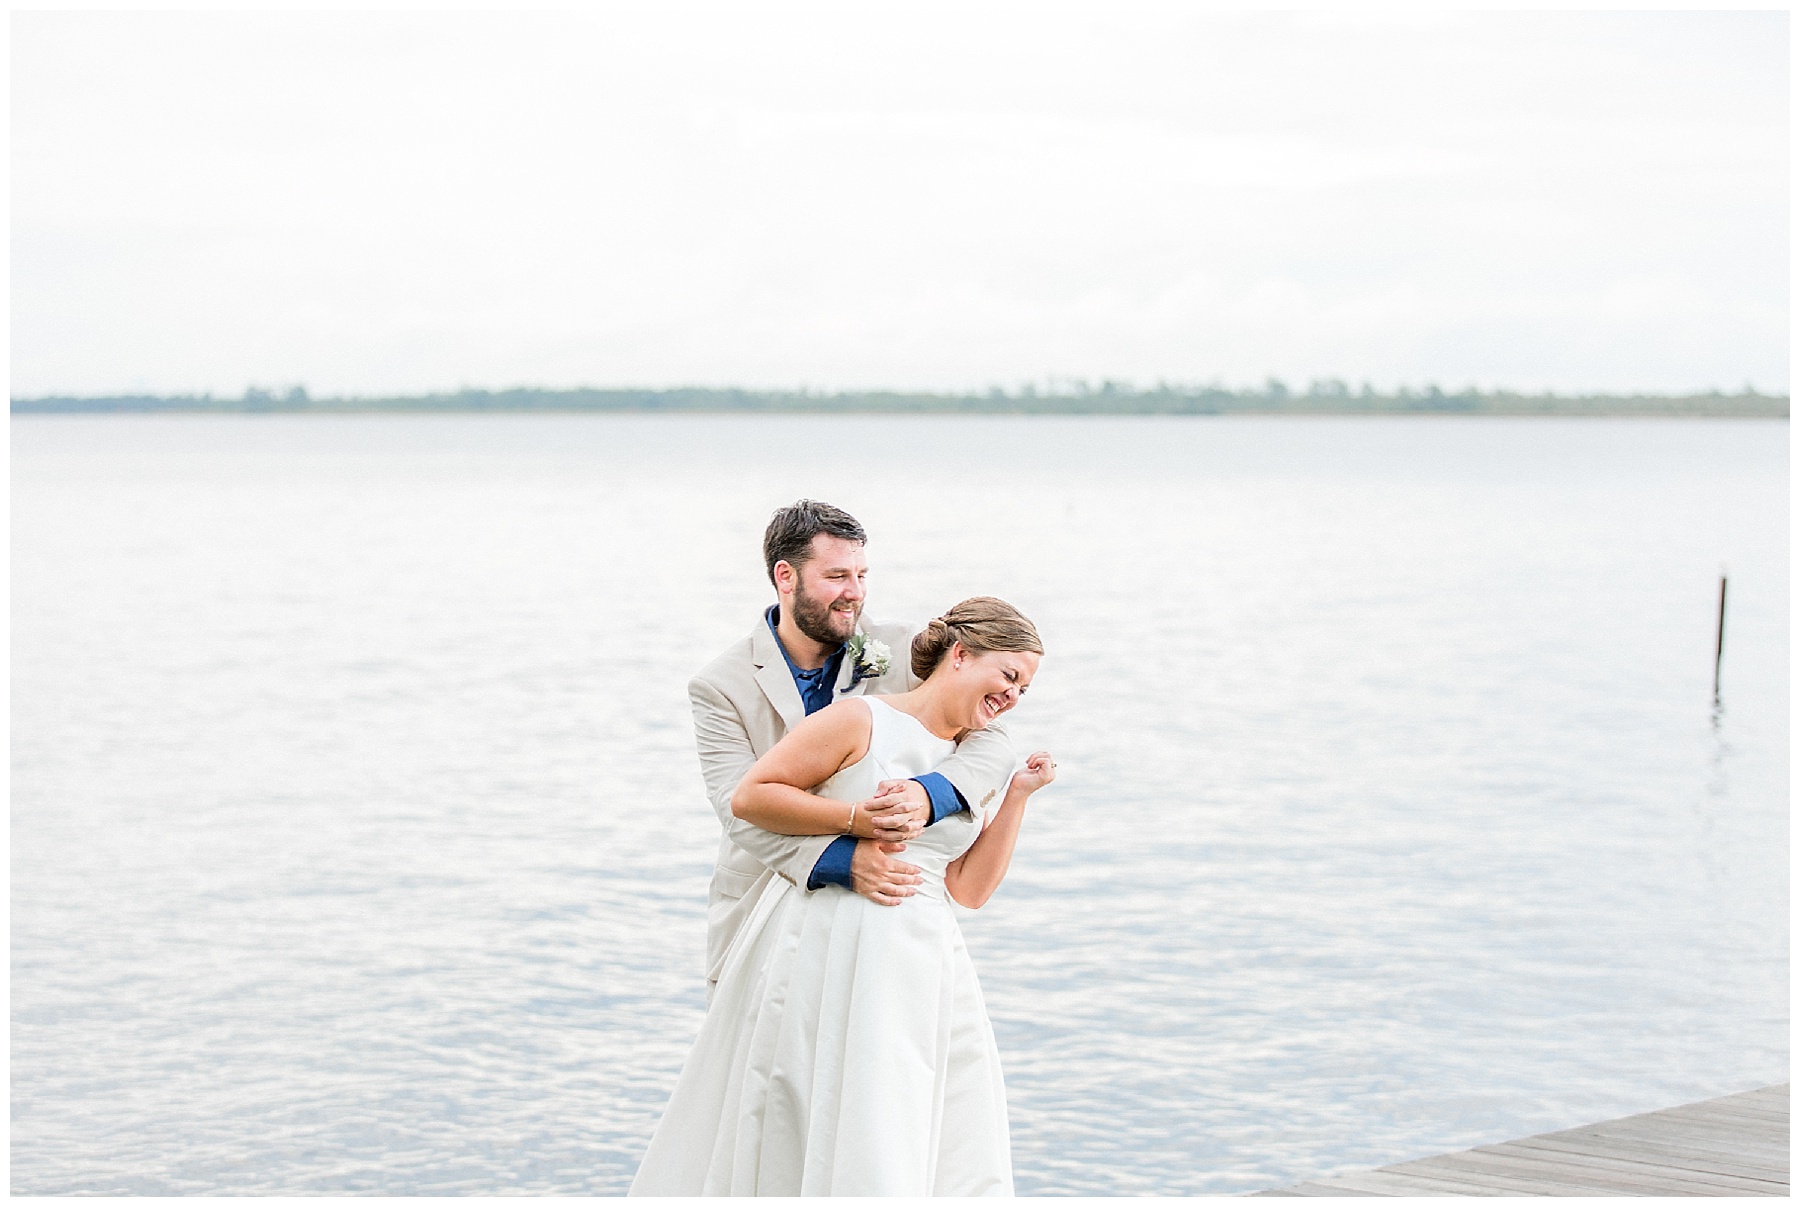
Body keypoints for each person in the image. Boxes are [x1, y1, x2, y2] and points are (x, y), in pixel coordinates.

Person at [631, 597, 1056, 1196]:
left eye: (1024, 689)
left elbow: (969, 889)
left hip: (923, 960)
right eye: (1008, 676)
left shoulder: (971, 760)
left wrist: (1017, 798)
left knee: (908, 1114)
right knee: (824, 1101)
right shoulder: (861, 719)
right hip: (832, 942)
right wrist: (858, 820)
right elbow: (752, 797)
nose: (1013, 696)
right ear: (960, 655)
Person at [686, 500, 1016, 994]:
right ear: (785, 576)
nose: (855, 593)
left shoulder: (908, 649)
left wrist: (932, 794)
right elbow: (738, 808)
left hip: (882, 923)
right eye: (838, 575)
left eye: (862, 575)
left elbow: (993, 742)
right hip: (765, 900)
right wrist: (841, 857)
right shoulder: (719, 685)